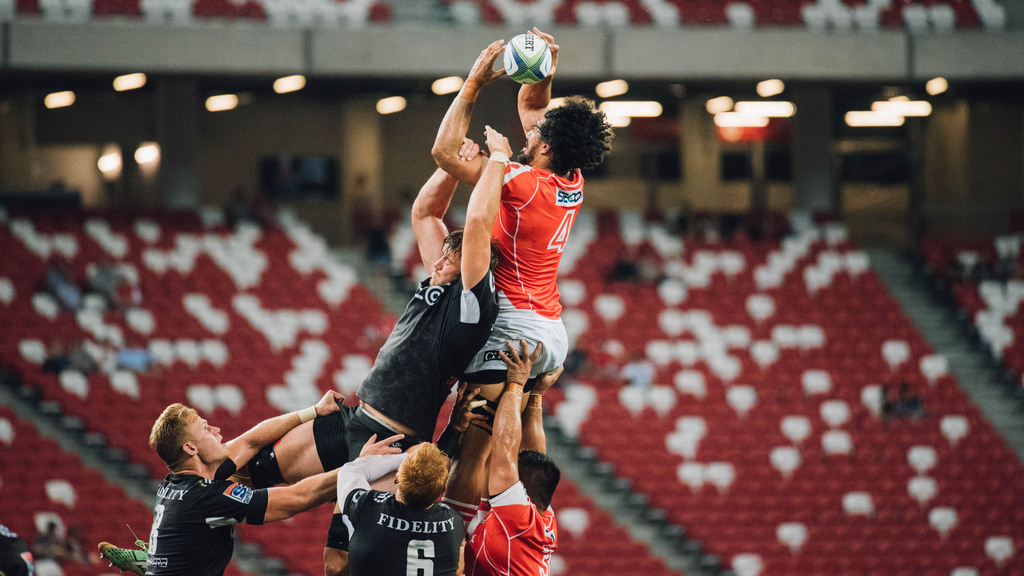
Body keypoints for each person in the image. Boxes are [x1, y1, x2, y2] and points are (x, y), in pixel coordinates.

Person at [431, 29, 613, 517]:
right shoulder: (570, 177)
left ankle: (458, 539)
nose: (528, 131)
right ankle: (530, 527)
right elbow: (535, 108)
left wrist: (473, 84)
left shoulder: (522, 181)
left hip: (514, 329)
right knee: (523, 426)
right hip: (551, 331)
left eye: (536, 134)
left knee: (473, 446)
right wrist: (544, 70)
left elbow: (444, 152)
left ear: (546, 147)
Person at [323, 127, 511, 572]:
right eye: (441, 256)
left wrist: (496, 161)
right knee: (266, 470)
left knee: (340, 559)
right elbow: (425, 213)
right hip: (360, 416)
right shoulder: (442, 280)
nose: (437, 263)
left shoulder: (470, 306)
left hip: (393, 440)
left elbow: (478, 227)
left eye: (450, 259)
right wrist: (452, 167)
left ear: (469, 268)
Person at [101, 390, 394, 576]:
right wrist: (358, 466)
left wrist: (313, 412)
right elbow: (295, 500)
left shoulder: (177, 482)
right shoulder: (207, 497)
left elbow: (251, 441)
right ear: (190, 448)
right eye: (206, 429)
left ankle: (151, 562)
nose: (217, 430)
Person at [464, 340, 562, 576]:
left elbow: (504, 447)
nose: (509, 470)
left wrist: (517, 384)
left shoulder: (521, 517)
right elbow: (533, 458)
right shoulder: (536, 514)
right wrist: (534, 394)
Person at [331, 443, 463, 576]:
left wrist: (404, 456)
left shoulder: (368, 506)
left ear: (397, 479)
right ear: (442, 490)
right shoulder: (454, 522)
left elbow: (350, 470)